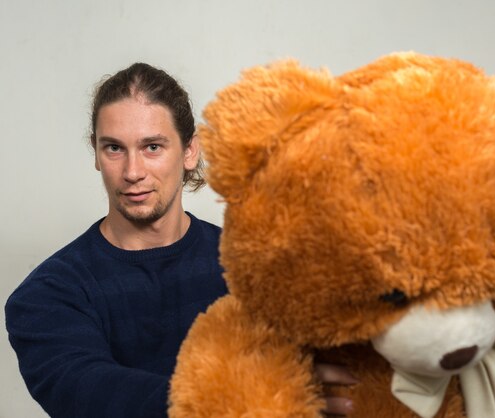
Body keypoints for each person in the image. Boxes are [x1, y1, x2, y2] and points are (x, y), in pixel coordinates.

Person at [5, 63, 354, 417]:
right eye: (114, 148)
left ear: (190, 152)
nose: (133, 172)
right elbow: (91, 394)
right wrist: (256, 394)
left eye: (152, 147)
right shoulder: (46, 296)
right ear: (95, 152)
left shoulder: (251, 267)